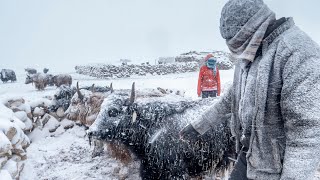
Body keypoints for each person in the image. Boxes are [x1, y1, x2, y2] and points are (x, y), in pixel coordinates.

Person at [180, 0, 320, 179]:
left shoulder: (297, 54)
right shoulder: (251, 53)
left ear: (253, 28)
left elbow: (306, 134)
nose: (238, 51)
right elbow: (232, 98)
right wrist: (199, 125)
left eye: (238, 43)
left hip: (277, 170)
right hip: (250, 157)